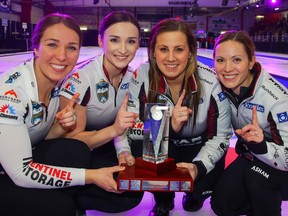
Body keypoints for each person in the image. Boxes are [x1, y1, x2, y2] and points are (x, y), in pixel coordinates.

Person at [0, 13, 128, 216]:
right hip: (12, 172)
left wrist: (59, 127)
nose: (62, 56)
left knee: (78, 152)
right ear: (35, 48)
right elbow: (20, 173)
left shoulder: (58, 83)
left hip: (20, 163)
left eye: (71, 48)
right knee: (61, 208)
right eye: (52, 44)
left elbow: (40, 137)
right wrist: (92, 176)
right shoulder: (11, 93)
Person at [115, 18, 232, 216]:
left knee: (199, 195)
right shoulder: (141, 76)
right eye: (163, 49)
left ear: (190, 52)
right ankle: (163, 199)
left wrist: (198, 167)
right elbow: (128, 127)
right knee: (141, 146)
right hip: (161, 147)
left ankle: (195, 194)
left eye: (179, 49)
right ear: (153, 52)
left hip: (198, 148)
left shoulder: (211, 82)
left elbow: (221, 137)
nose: (171, 58)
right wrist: (123, 151)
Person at [59, 11, 144, 212]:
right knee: (76, 153)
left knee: (132, 191)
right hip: (71, 152)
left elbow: (122, 122)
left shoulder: (133, 77)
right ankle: (66, 198)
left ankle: (76, 196)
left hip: (104, 143)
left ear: (138, 44)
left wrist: (123, 151)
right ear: (100, 40)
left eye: (131, 41)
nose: (123, 50)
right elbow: (70, 141)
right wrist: (114, 131)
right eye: (114, 40)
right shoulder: (81, 79)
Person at [210, 30, 288, 216]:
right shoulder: (221, 86)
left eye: (237, 60)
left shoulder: (276, 100)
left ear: (251, 61)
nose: (227, 68)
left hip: (280, 162)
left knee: (256, 177)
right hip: (251, 155)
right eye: (221, 60)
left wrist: (261, 146)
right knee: (222, 205)